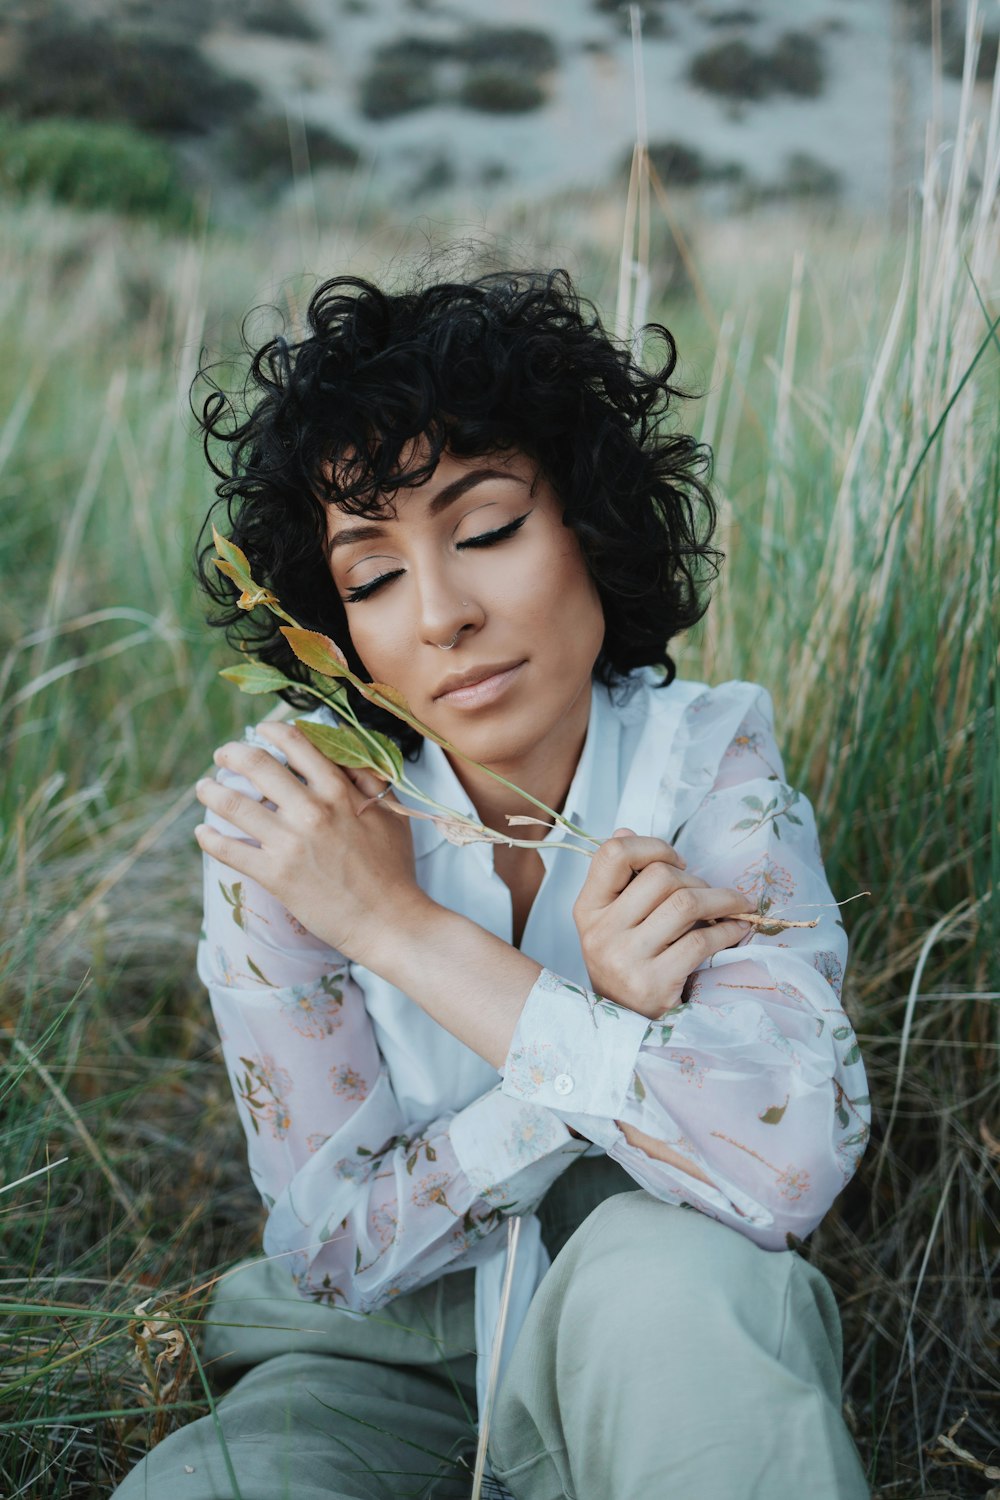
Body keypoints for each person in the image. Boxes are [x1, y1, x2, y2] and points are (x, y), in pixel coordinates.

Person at [114, 269, 871, 1499]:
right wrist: (591, 1033)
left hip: (649, 1317)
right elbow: (329, 1250)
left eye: (484, 530)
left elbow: (781, 1160)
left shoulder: (706, 759)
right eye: (371, 578)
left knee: (682, 1299)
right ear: (330, 620)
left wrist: (402, 932)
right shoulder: (293, 824)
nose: (443, 615)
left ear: (588, 519)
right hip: (364, 1368)